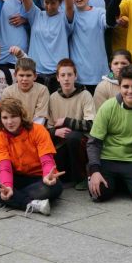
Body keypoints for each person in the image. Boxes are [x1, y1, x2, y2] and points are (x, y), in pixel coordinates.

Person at [86, 65, 132, 203]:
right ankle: (116, 182)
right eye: (126, 86)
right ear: (119, 87)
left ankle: (124, 182)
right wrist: (95, 171)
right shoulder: (108, 106)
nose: (130, 91)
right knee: (99, 194)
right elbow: (94, 143)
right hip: (107, 158)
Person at [0, 98, 64, 215]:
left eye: (13, 116)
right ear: (0, 119)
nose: (9, 122)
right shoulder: (1, 138)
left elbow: (47, 160)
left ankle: (0, 198)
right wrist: (7, 186)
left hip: (40, 178)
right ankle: (30, 203)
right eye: (5, 118)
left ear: (21, 116)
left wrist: (48, 175)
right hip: (16, 177)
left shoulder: (38, 130)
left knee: (54, 187)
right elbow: (5, 167)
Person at [21, 0, 74, 89]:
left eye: (53, 3)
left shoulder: (64, 17)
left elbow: (70, 6)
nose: (49, 6)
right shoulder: (36, 15)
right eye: (46, 2)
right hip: (36, 73)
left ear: (59, 3)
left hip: (58, 74)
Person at [48, 59, 96, 189]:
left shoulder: (85, 95)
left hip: (80, 140)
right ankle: (67, 176)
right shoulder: (53, 97)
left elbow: (91, 124)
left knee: (73, 137)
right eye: (63, 75)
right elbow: (49, 126)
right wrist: (54, 132)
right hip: (61, 139)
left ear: (75, 76)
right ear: (57, 78)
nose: (66, 79)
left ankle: (82, 177)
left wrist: (66, 121)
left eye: (70, 74)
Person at [67, 0, 110, 90]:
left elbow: (109, 22)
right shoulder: (70, 15)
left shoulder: (99, 12)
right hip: (79, 75)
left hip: (100, 72)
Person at [1, 57, 50, 125]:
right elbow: (7, 116)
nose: (24, 79)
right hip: (14, 128)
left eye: (28, 75)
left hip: (35, 128)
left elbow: (40, 117)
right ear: (15, 75)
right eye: (21, 75)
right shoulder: (8, 92)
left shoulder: (42, 90)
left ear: (35, 76)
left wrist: (31, 130)